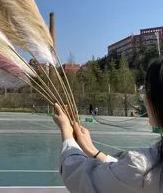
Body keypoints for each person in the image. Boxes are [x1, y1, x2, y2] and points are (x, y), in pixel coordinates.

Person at [53, 57, 163, 193]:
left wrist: (67, 132)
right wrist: (92, 151)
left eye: (146, 90)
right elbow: (124, 174)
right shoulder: (146, 166)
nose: (145, 98)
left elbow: (80, 177)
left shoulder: (144, 168)